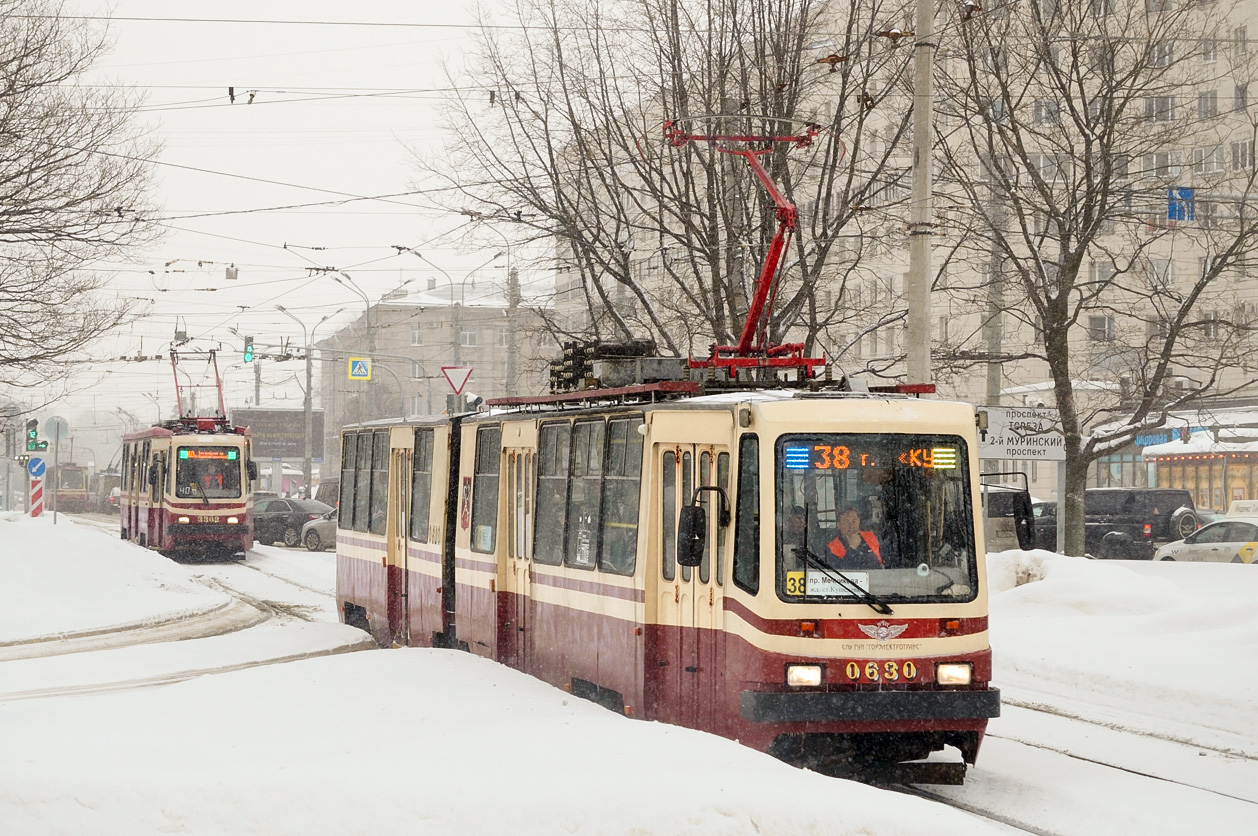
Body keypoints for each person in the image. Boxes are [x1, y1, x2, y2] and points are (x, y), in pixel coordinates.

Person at [826, 503, 883, 570]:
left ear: (859, 521)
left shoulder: (871, 537)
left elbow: (882, 564)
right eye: (846, 522)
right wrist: (852, 547)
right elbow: (843, 572)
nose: (851, 526)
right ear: (838, 525)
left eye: (854, 521)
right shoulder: (833, 548)